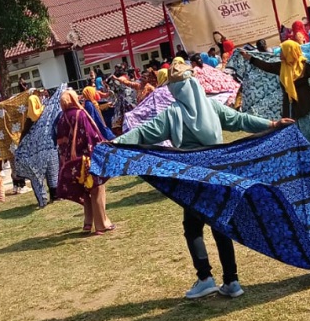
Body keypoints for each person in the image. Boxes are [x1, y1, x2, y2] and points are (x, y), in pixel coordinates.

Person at [112, 76, 293, 299]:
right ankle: (232, 281)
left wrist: (116, 143)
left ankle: (205, 278)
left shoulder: (173, 113)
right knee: (220, 224)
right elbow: (240, 120)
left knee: (193, 228)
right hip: (218, 176)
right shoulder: (212, 107)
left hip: (193, 179)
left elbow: (143, 133)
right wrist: (271, 124)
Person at [242, 40, 310, 142]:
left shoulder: (303, 66)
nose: (280, 53)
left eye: (282, 51)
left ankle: (306, 152)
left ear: (290, 52)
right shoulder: (281, 66)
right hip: (290, 107)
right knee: (290, 134)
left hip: (307, 105)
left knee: (307, 135)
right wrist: (251, 58)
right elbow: (266, 66)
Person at [54, 90, 115, 235]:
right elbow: (91, 135)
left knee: (85, 191)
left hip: (71, 162)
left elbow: (60, 142)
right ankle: (101, 224)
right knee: (97, 189)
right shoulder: (80, 114)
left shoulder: (62, 118)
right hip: (86, 159)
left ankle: (88, 223)